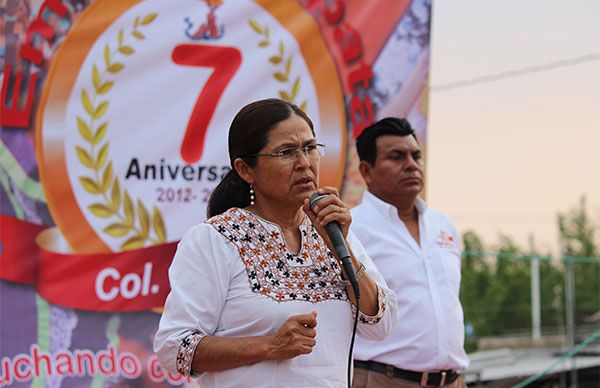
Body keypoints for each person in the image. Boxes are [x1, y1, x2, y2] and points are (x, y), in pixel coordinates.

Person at [154, 98, 397, 387]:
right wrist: (270, 346)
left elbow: (381, 325)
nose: (304, 163)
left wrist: (341, 248)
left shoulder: (333, 232)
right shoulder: (215, 239)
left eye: (310, 148)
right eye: (286, 152)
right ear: (246, 170)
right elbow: (174, 347)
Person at [350, 118, 469, 387]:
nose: (411, 165)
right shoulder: (349, 229)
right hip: (384, 378)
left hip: (453, 381)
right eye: (397, 157)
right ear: (366, 171)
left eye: (416, 156)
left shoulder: (443, 224)